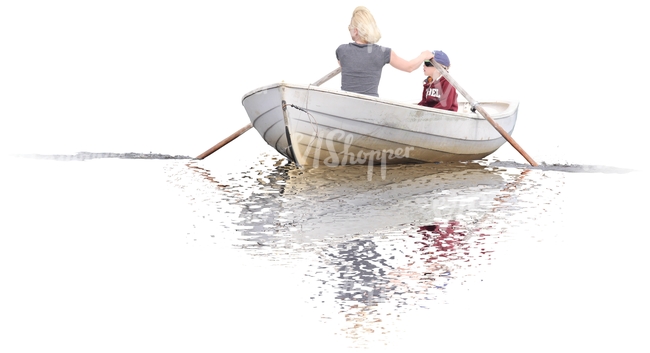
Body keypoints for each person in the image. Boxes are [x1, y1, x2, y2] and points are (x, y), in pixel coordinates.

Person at [336, 6, 434, 97]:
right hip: (371, 108)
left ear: (356, 30)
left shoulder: (341, 50)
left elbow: (345, 65)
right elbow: (409, 67)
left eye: (350, 28)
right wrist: (424, 55)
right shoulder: (383, 52)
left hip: (345, 106)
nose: (349, 30)